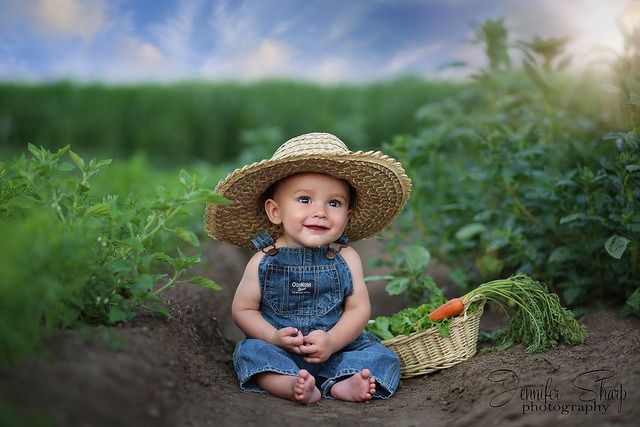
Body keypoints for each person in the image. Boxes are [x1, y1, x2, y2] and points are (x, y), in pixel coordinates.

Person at [204, 132, 411, 404]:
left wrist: (334, 341)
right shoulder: (265, 258)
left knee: (382, 356)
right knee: (251, 352)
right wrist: (273, 336)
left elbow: (358, 309)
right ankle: (289, 383)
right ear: (275, 211)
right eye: (305, 200)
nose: (321, 212)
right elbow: (243, 310)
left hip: (337, 350)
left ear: (347, 216)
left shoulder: (346, 257)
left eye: (334, 203)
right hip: (281, 350)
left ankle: (343, 383)